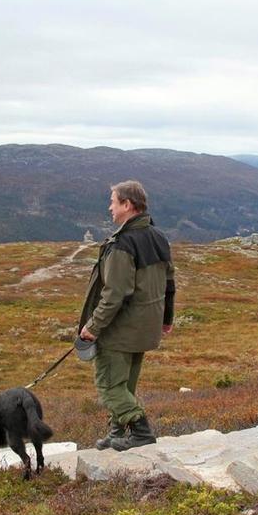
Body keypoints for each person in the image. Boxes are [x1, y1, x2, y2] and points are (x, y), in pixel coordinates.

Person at [78, 180, 175, 451]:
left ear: (127, 205)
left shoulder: (122, 244)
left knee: (110, 386)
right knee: (126, 385)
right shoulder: (158, 236)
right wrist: (167, 318)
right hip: (146, 328)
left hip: (121, 330)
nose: (110, 207)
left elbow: (114, 294)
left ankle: (141, 431)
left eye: (113, 201)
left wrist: (93, 327)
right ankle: (117, 432)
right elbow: (170, 283)